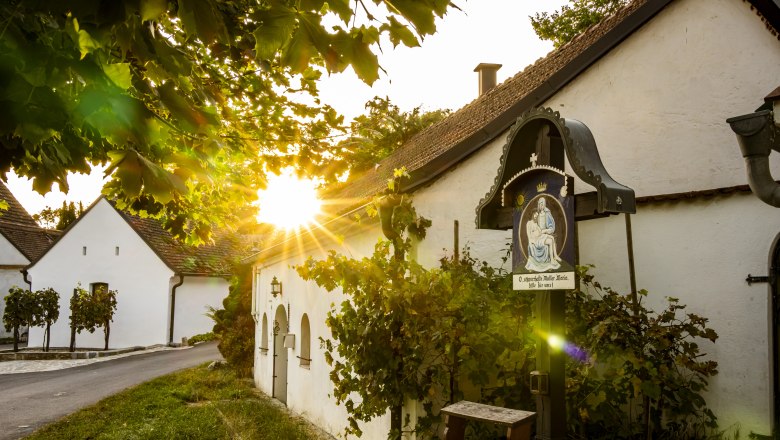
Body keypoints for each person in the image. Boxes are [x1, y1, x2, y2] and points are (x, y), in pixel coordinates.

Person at [525, 197, 561, 272]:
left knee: (551, 238)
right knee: (550, 241)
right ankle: (552, 259)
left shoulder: (536, 223)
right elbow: (529, 234)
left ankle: (555, 256)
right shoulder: (529, 223)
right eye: (535, 214)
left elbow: (540, 232)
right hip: (536, 240)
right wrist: (530, 242)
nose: (536, 216)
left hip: (540, 237)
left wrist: (545, 231)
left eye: (536, 215)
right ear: (532, 214)